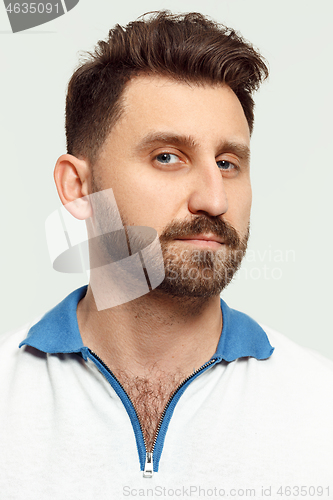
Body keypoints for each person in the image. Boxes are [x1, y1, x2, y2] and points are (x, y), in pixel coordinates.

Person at [1, 10, 332, 499]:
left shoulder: (321, 405)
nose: (214, 200)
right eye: (167, 157)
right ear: (78, 187)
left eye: (227, 163)